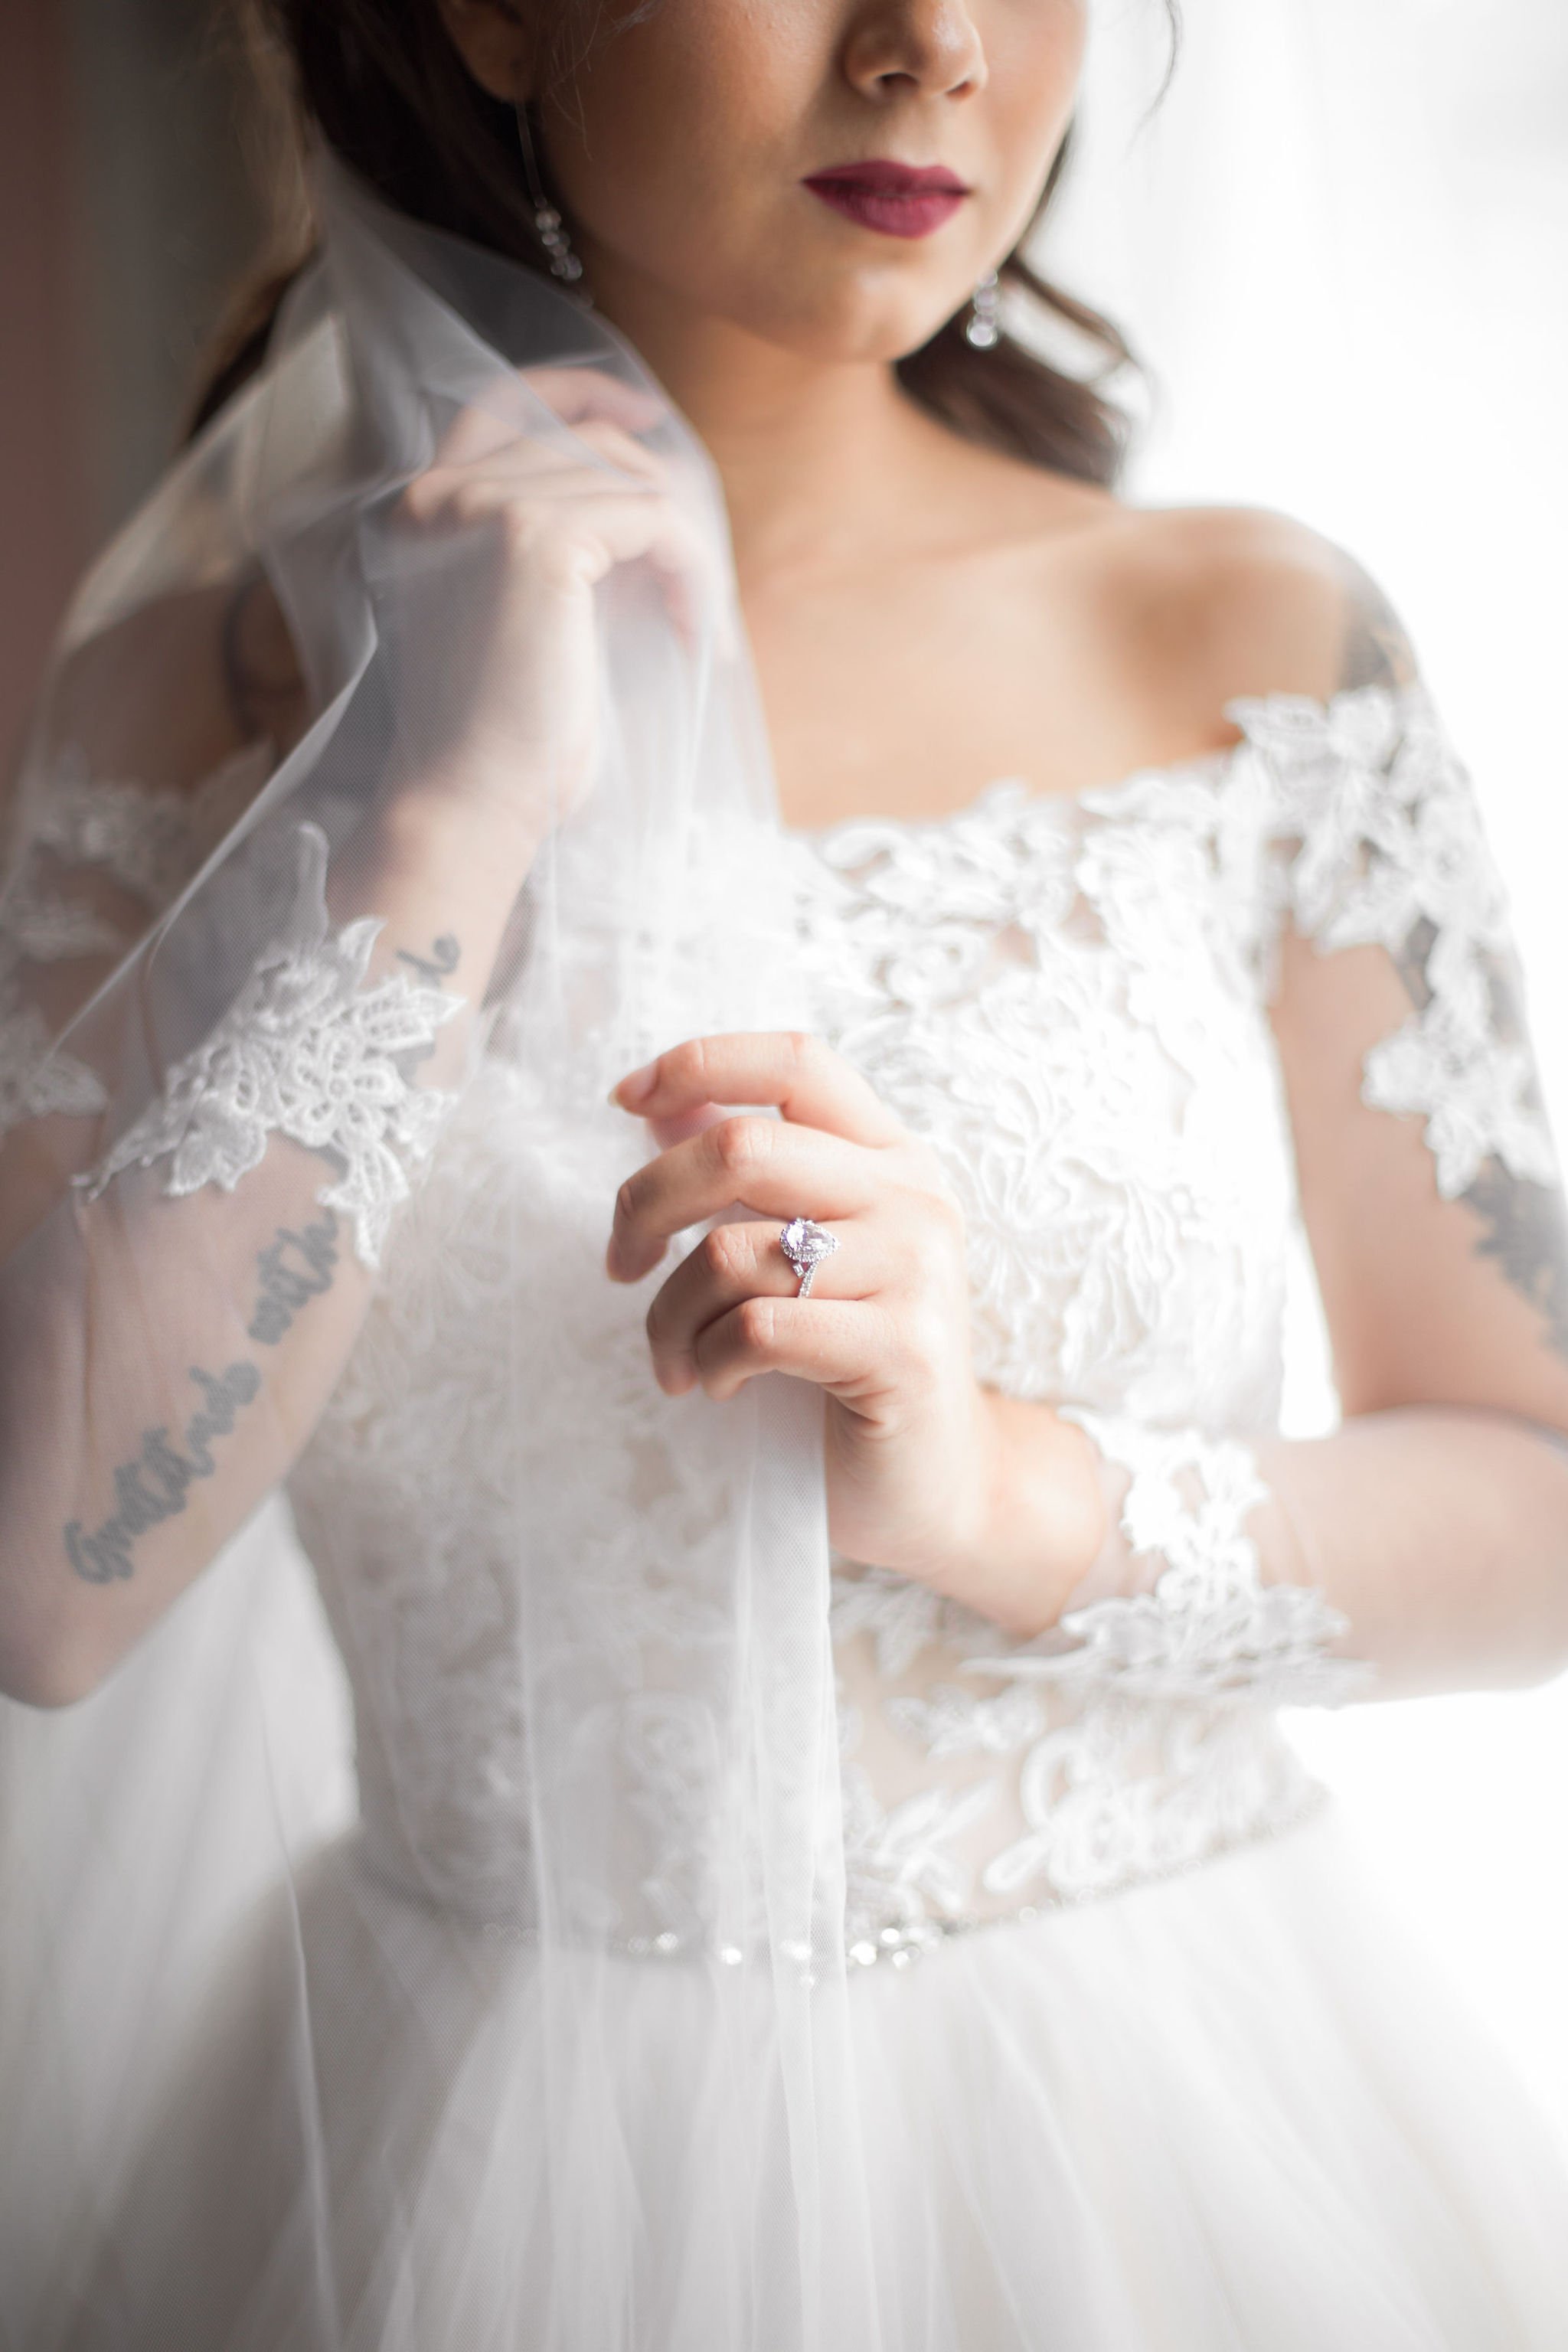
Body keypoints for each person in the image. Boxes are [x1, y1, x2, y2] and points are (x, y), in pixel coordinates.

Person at [5, 1, 1568, 2344]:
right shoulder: (185, 714)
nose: (930, 42)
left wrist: (1000, 1487)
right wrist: (441, 814)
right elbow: (45, 1583)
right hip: (476, 2191)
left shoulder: (1255, 646)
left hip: (1156, 2147)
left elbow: (1540, 1497)